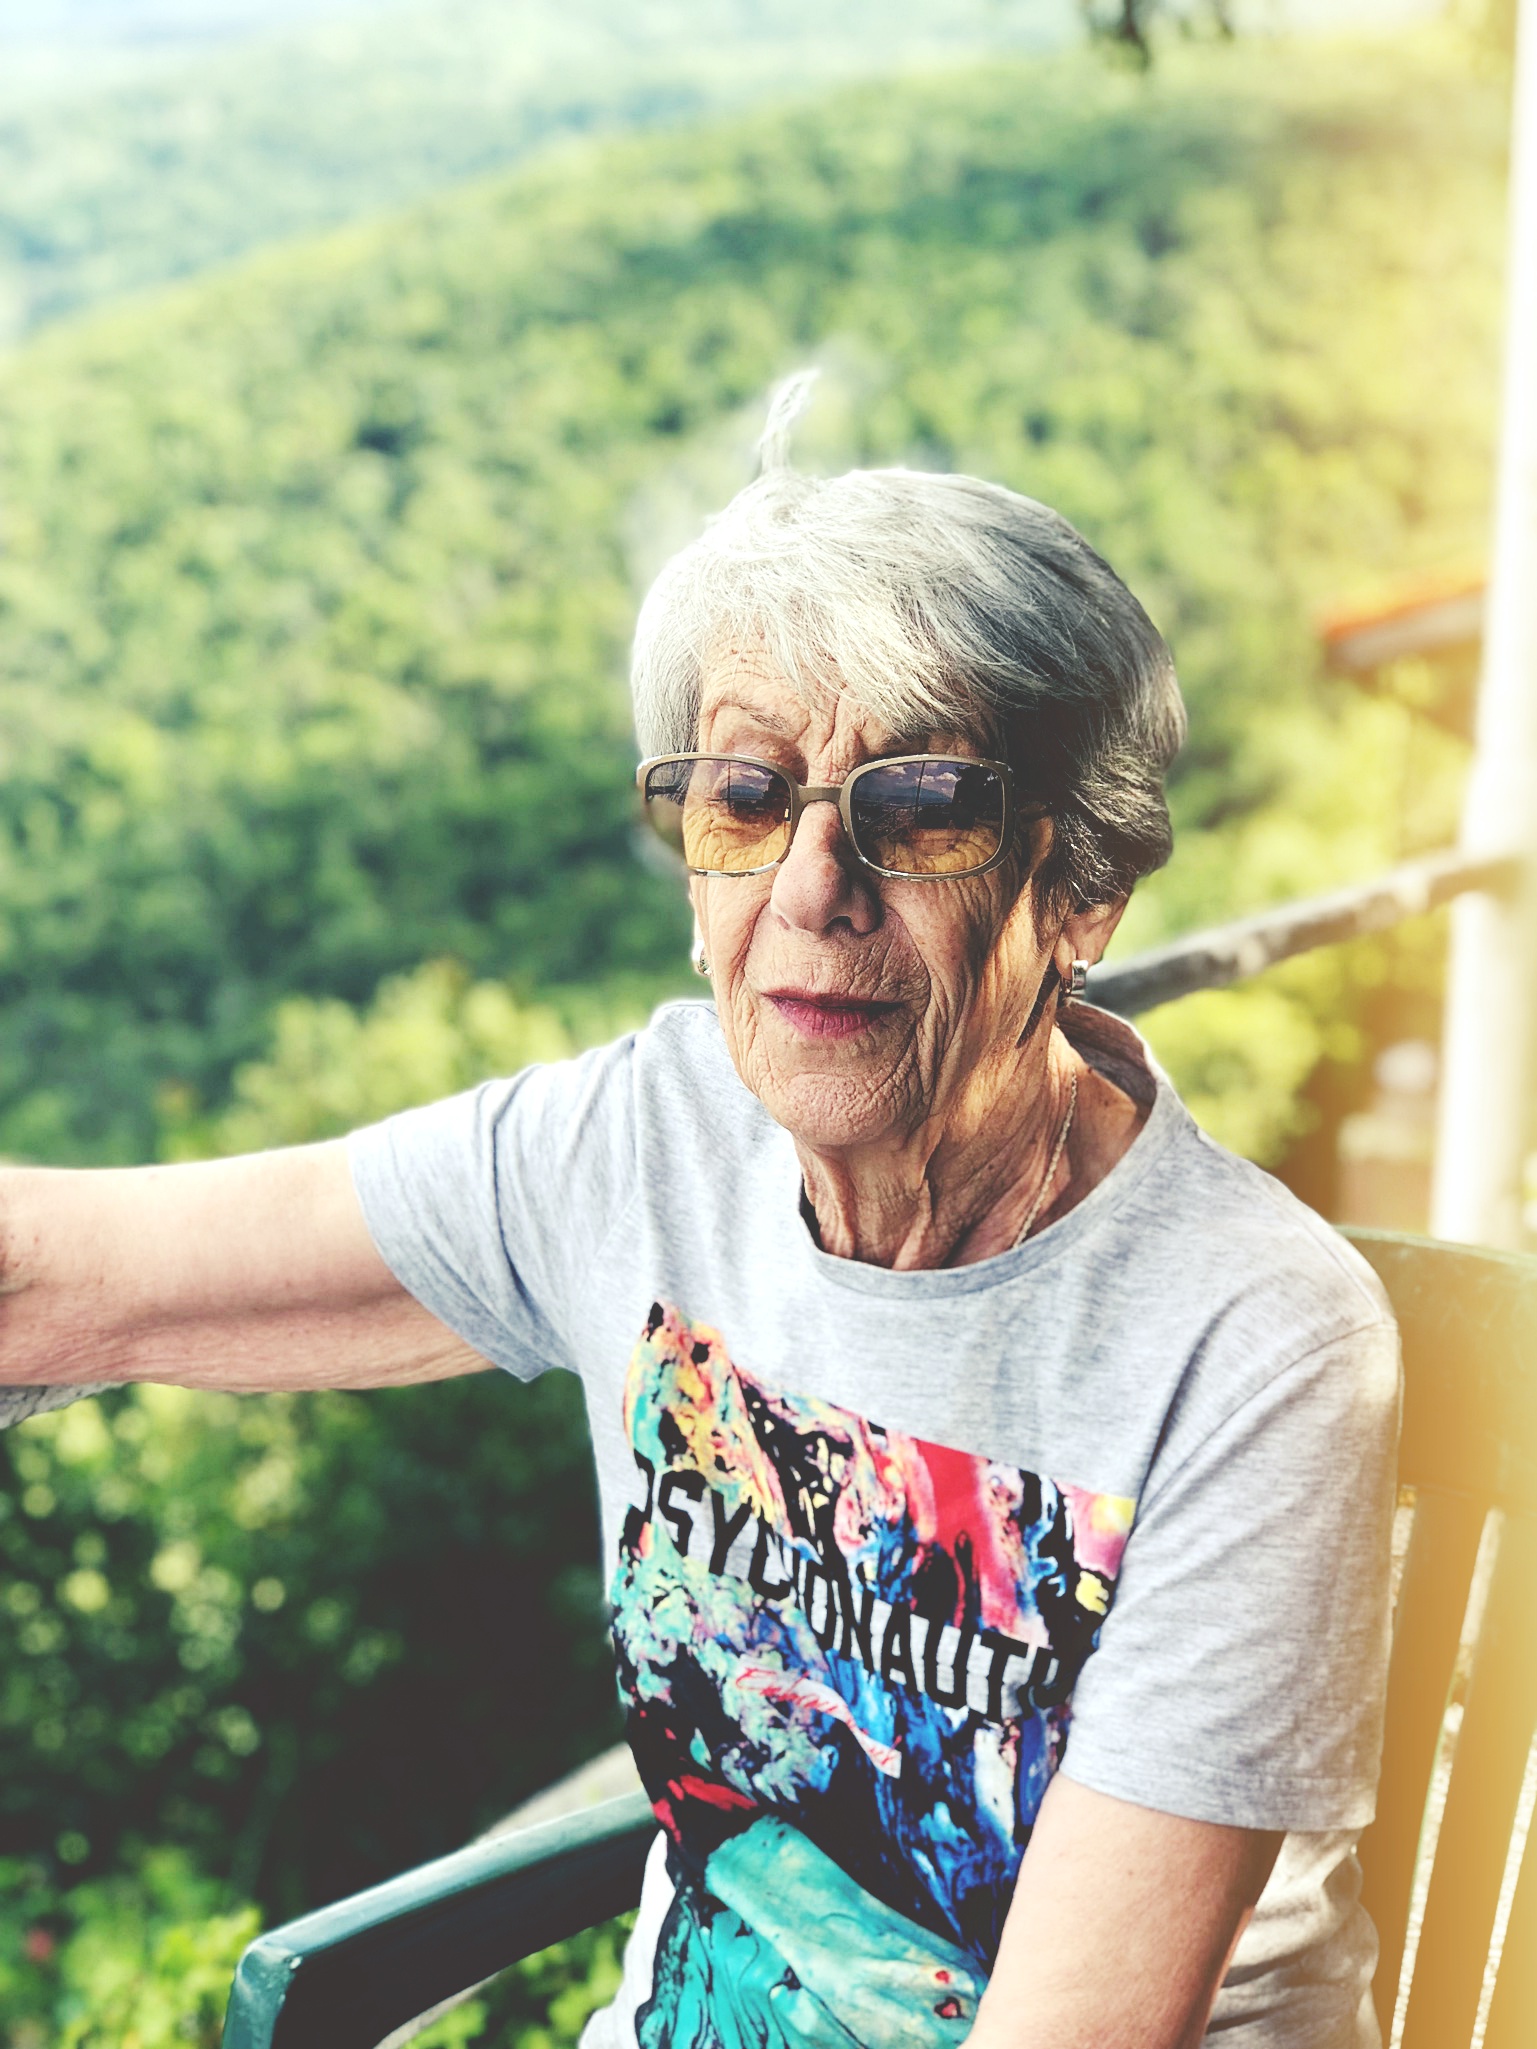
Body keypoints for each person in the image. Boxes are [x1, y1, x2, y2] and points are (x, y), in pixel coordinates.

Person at [0, 381, 1399, 2049]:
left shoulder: (1252, 1341)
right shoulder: (648, 1142)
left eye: (919, 805)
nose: (811, 887)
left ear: (1080, 887)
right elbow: (66, 1276)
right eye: (745, 799)